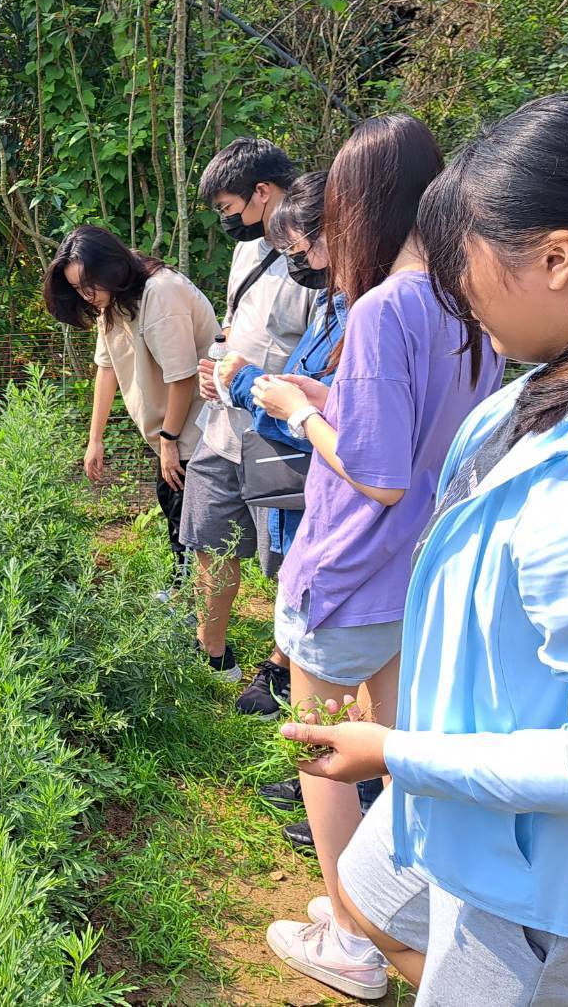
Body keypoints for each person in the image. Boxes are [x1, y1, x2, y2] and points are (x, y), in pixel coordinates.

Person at [287, 92, 568, 1006]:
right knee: (370, 903)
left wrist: (395, 754)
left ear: (558, 257)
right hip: (480, 811)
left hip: (558, 881)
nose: (452, 285)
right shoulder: (553, 379)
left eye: (467, 258)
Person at [252, 114, 502, 1001]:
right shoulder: (464, 298)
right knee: (391, 752)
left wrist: (294, 408)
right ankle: (390, 906)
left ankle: (352, 938)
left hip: (351, 563)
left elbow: (375, 474)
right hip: (420, 571)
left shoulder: (382, 306)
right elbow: (417, 436)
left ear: (359, 203)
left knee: (321, 748)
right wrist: (338, 401)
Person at [183, 137, 313, 680]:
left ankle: (285, 665)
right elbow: (235, 326)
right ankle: (210, 654)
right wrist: (213, 365)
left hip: (280, 435)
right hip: (221, 429)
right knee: (210, 541)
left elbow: (327, 355)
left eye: (227, 208)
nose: (226, 221)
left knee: (293, 561)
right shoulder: (246, 252)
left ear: (263, 192)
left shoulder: (316, 258)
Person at [218, 170, 341, 721]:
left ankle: (345, 781)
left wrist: (247, 384)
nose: (299, 261)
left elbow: (319, 421)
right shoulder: (333, 306)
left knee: (328, 636)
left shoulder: (368, 314)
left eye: (299, 248)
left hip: (330, 495)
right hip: (307, 488)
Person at [42, 225, 218, 579]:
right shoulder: (112, 301)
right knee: (172, 511)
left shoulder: (161, 291)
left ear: (111, 268)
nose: (86, 295)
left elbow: (182, 375)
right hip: (169, 430)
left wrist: (169, 441)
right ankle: (182, 597)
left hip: (199, 429)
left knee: (190, 526)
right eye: (77, 288)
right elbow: (106, 369)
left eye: (89, 284)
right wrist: (95, 440)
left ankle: (191, 611)